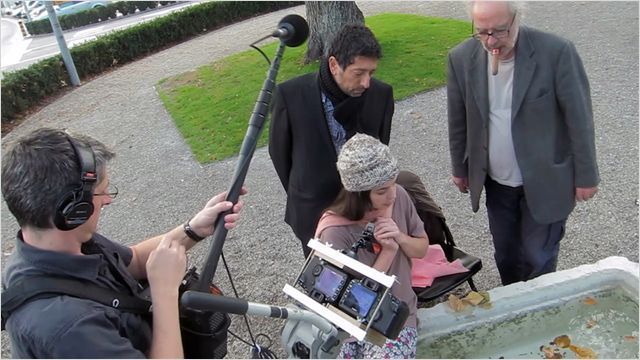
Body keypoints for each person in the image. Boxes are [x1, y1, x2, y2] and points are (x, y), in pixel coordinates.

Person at [1, 128, 246, 358]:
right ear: (73, 209)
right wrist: (165, 294)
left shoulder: (63, 241)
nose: (107, 200)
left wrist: (193, 229)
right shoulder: (69, 327)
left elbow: (136, 259)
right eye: (102, 192)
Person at [446, 1, 599, 285]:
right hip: (495, 181)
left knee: (538, 257)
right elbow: (458, 120)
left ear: (517, 18)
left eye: (499, 31)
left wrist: (586, 175)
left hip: (545, 179)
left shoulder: (556, 52)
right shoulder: (461, 58)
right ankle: (514, 307)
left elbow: (579, 120)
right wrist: (460, 167)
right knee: (505, 255)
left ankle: (539, 308)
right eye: (482, 32)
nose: (491, 41)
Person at [314, 133, 428, 358]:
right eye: (381, 191)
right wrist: (387, 253)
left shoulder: (400, 197)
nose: (392, 195)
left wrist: (400, 239)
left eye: (393, 184)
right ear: (358, 193)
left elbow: (422, 249)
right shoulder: (334, 231)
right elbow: (343, 300)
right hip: (349, 325)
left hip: (395, 317)